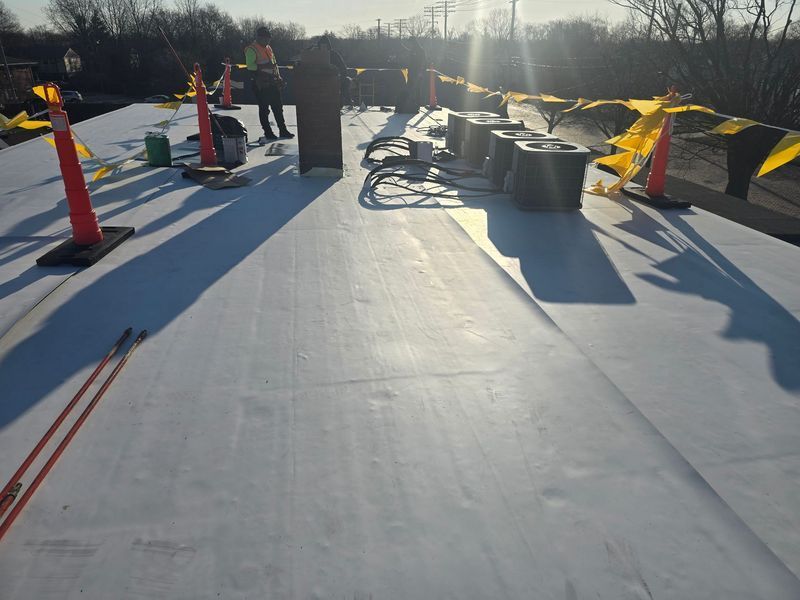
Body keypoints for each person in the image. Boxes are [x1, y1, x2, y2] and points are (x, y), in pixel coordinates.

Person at [245, 27, 294, 140]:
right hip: (261, 83)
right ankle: (268, 132)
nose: (267, 41)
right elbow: (250, 66)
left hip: (272, 82)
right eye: (266, 39)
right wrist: (263, 66)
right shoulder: (251, 49)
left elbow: (274, 64)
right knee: (264, 109)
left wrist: (279, 77)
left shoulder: (268, 48)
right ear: (259, 38)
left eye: (269, 39)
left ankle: (283, 130)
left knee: (277, 107)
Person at [316, 35, 351, 107]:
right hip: (319, 80)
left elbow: (343, 69)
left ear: (328, 46)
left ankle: (340, 101)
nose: (323, 48)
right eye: (321, 46)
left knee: (347, 81)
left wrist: (339, 79)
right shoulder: (315, 55)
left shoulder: (334, 55)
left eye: (325, 46)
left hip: (334, 79)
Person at [397, 38, 427, 113]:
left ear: (413, 43)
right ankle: (411, 105)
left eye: (410, 43)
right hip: (412, 72)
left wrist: (421, 72)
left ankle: (416, 106)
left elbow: (423, 62)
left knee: (417, 89)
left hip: (417, 73)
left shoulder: (420, 50)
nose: (410, 45)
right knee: (410, 88)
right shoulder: (413, 50)